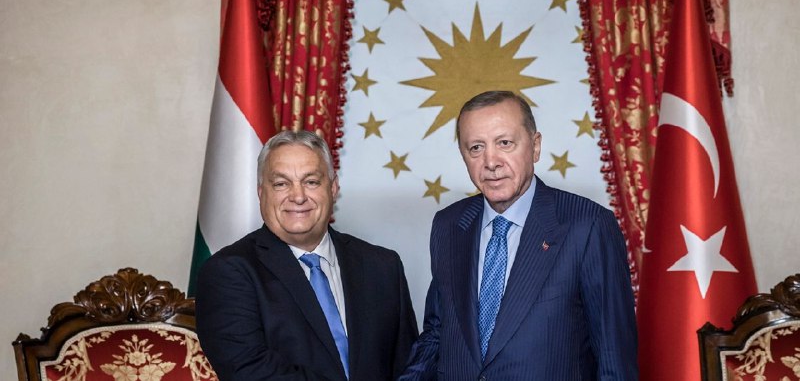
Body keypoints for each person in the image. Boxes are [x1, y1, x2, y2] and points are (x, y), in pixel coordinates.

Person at [400, 91, 638, 380]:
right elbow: (437, 333)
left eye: (505, 143)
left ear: (535, 147)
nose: (491, 161)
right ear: (463, 155)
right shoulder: (449, 225)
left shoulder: (588, 225)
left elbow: (614, 360)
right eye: (476, 147)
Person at [196, 130, 419, 381]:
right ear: (261, 192)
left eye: (311, 182)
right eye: (281, 184)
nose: (298, 196)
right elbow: (249, 370)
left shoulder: (383, 266)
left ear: (333, 188)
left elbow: (410, 367)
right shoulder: (228, 272)